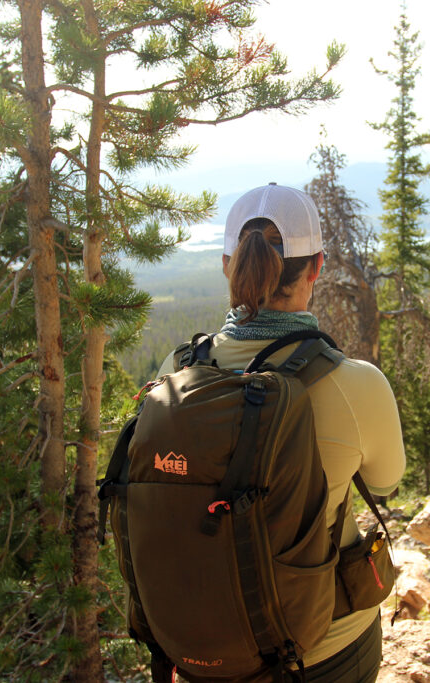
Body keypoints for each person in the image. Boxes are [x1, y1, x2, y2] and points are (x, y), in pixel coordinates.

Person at [159, 183, 406, 683]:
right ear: (316, 266)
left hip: (205, 648)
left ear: (229, 265)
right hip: (324, 645)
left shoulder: (175, 373)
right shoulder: (357, 385)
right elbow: (384, 485)